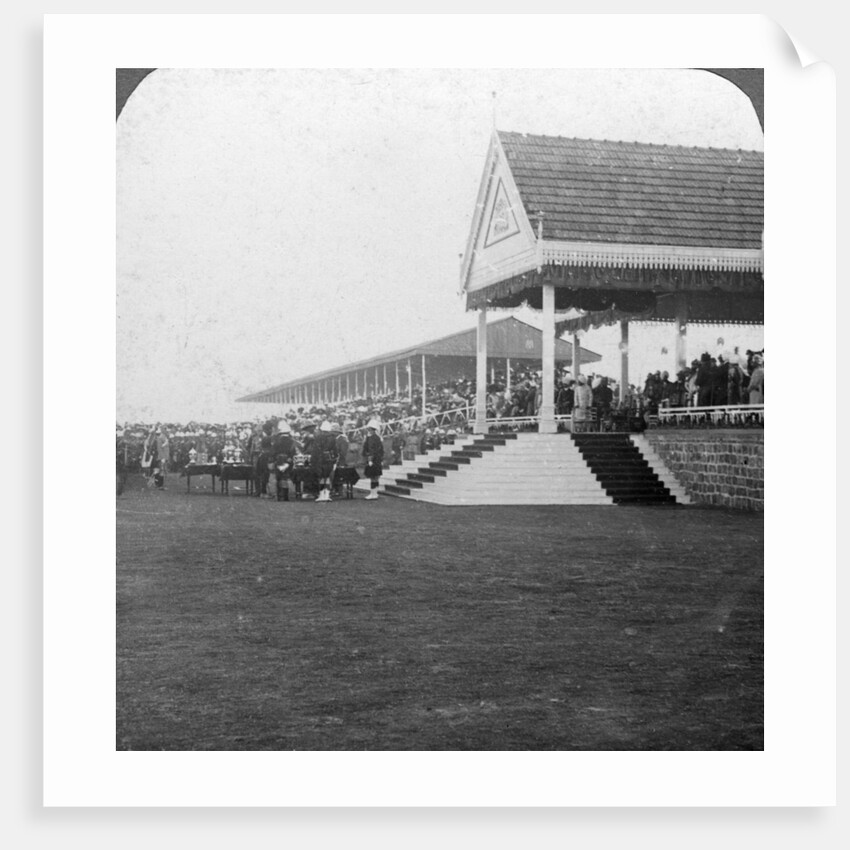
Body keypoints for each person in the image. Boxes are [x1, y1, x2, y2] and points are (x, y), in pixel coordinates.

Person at [270, 420, 298, 501]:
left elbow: (272, 452)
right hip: (288, 461)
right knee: (286, 478)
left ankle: (279, 495)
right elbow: (293, 453)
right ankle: (285, 496)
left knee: (278, 478)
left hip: (278, 460)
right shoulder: (292, 442)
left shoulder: (277, 442)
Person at [311, 420, 339, 502]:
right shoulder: (333, 438)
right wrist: (335, 459)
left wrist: (313, 460)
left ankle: (321, 494)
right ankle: (327, 494)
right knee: (327, 477)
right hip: (330, 459)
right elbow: (335, 450)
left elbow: (315, 450)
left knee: (321, 477)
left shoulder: (318, 437)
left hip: (320, 459)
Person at [362, 419, 384, 500]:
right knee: (374, 477)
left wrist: (370, 459)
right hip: (376, 459)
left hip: (374, 459)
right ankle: (374, 493)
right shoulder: (374, 438)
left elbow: (372, 450)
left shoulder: (373, 438)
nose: (369, 430)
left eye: (370, 429)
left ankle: (373, 493)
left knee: (374, 476)